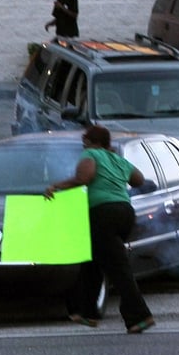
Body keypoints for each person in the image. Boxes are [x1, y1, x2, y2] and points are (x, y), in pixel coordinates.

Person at [44, 125, 154, 334]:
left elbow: (84, 178)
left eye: (84, 139)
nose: (82, 143)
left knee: (118, 268)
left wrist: (56, 187)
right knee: (93, 261)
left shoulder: (91, 154)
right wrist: (115, 171)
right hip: (125, 212)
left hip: (104, 214)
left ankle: (139, 316)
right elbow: (138, 180)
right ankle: (88, 313)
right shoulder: (117, 159)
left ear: (91, 141)